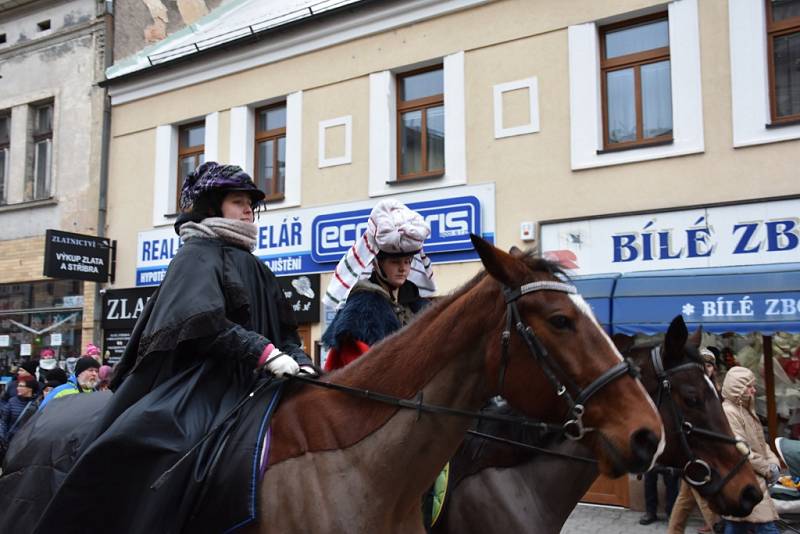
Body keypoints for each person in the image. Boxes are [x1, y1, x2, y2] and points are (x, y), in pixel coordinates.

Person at [33, 162, 314, 533]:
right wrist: (263, 353)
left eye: (250, 203)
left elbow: (287, 332)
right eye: (237, 201)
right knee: (167, 446)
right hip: (202, 383)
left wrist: (299, 359)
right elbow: (203, 324)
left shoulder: (259, 268)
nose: (248, 209)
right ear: (213, 207)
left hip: (256, 384)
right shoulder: (196, 254)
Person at [321, 199, 434, 371]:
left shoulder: (415, 301)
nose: (403, 268)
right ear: (376, 264)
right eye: (395, 262)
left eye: (407, 261)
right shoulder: (362, 307)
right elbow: (360, 372)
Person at [667, 348, 722, 534]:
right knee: (703, 496)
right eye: (703, 364)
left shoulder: (717, 389)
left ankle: (674, 531)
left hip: (708, 451)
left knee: (685, 498)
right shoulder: (691, 392)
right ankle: (716, 528)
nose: (706, 368)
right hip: (696, 452)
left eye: (709, 365)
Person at [721, 366, 781, 534]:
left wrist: (773, 462)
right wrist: (767, 469)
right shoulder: (729, 412)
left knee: (738, 524)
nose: (754, 390)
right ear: (737, 388)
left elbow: (761, 444)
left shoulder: (746, 409)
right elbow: (741, 449)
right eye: (749, 386)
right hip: (745, 479)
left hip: (753, 479)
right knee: (765, 526)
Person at [0, 378, 39, 462]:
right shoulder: (12, 401)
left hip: (24, 444)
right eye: (18, 385)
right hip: (9, 441)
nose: (17, 388)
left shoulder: (36, 405)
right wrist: (2, 436)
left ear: (30, 389)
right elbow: (3, 421)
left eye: (21, 386)